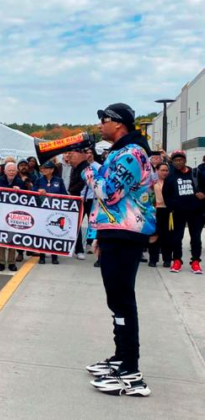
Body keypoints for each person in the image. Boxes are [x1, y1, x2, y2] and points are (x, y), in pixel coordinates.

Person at [84, 103, 154, 397]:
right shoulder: (119, 152)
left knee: (123, 300)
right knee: (116, 300)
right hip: (115, 231)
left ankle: (131, 371)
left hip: (127, 234)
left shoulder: (132, 154)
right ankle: (121, 357)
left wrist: (86, 168)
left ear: (119, 123)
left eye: (104, 120)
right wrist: (99, 233)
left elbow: (108, 192)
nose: (100, 125)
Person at [163, 150, 205, 273]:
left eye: (180, 160)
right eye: (175, 160)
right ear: (172, 162)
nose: (178, 162)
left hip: (195, 212)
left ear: (185, 160)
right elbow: (166, 194)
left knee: (196, 237)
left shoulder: (196, 173)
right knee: (177, 238)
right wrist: (173, 206)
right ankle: (177, 261)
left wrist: (203, 195)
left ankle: (196, 261)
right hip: (178, 212)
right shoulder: (170, 177)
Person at [0, 163, 27, 271]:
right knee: (1, 238)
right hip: (1, 213)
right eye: (10, 170)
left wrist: (20, 191)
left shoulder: (20, 182)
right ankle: (1, 262)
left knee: (12, 238)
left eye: (13, 170)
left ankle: (12, 262)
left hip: (14, 214)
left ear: (16, 172)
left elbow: (26, 197)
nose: (11, 172)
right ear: (5, 171)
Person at [33, 161, 67, 265]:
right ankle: (42, 255)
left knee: (54, 232)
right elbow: (33, 193)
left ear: (52, 170)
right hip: (42, 210)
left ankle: (54, 256)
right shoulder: (38, 180)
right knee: (42, 233)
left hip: (55, 211)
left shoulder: (59, 180)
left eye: (47, 168)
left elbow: (64, 194)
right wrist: (39, 192)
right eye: (43, 168)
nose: (44, 170)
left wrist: (48, 193)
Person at [67, 149, 90, 260]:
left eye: (72, 154)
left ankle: (87, 247)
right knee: (75, 225)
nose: (70, 156)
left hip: (87, 200)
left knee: (93, 225)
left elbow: (82, 183)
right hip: (73, 198)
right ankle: (77, 248)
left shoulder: (87, 167)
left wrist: (70, 191)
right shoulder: (68, 167)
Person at [148, 163, 172, 268]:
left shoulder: (171, 182)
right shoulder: (152, 184)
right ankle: (153, 259)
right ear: (157, 171)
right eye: (162, 170)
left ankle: (167, 259)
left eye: (166, 170)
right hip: (155, 211)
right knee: (154, 236)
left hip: (168, 211)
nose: (165, 172)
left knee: (167, 236)